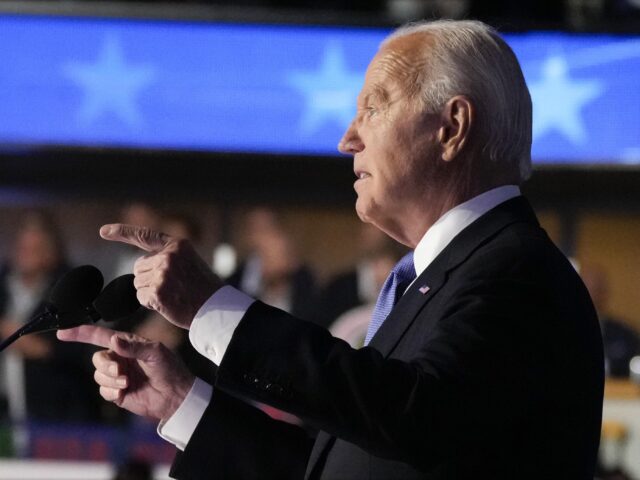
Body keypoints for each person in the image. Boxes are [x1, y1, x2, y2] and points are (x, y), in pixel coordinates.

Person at [58, 20, 604, 479]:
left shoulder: (517, 271)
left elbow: (412, 417)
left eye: (373, 107)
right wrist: (181, 402)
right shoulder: (438, 279)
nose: (348, 138)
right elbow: (339, 466)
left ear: (451, 127)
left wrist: (212, 307)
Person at [580, 263, 640, 378]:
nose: (590, 295)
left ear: (604, 293)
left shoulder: (625, 335)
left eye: (596, 289)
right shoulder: (561, 331)